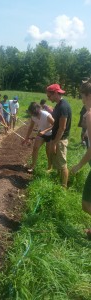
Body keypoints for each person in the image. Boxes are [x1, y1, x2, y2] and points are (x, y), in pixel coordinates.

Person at [71, 78, 91, 238]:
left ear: (88, 96)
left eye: (82, 97)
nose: (82, 100)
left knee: (86, 205)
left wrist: (78, 166)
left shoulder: (90, 115)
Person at [46, 83, 72, 188]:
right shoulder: (58, 105)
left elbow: (62, 128)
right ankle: (58, 179)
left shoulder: (63, 107)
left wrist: (55, 143)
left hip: (60, 139)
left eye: (49, 96)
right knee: (57, 162)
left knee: (62, 165)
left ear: (56, 93)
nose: (48, 98)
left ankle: (63, 186)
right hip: (56, 138)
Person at [22, 102, 54, 173]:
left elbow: (55, 125)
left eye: (33, 113)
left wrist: (45, 131)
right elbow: (31, 127)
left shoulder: (46, 115)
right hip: (41, 133)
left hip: (50, 134)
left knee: (48, 152)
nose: (33, 115)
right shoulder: (33, 116)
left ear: (37, 110)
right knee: (35, 148)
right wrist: (26, 138)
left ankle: (50, 167)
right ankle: (32, 166)